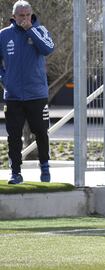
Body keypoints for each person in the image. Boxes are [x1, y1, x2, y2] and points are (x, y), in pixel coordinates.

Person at [0, 0, 54, 184]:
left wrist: (31, 30)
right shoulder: (4, 35)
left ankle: (45, 169)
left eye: (27, 15)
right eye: (21, 15)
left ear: (31, 15)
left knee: (41, 132)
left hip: (37, 95)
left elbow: (48, 49)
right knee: (13, 136)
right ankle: (15, 172)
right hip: (13, 96)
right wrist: (5, 80)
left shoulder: (41, 31)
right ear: (13, 17)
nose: (24, 18)